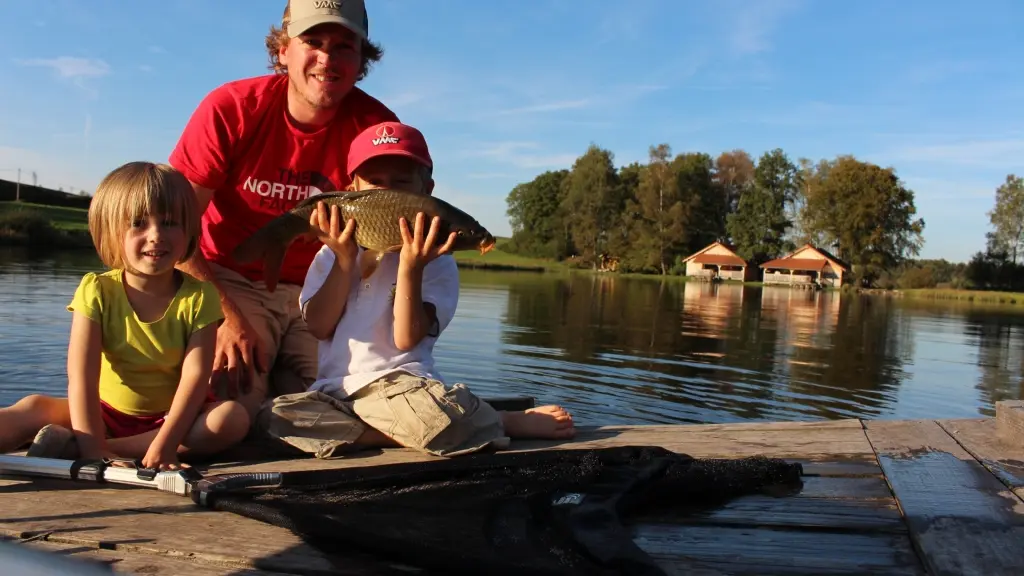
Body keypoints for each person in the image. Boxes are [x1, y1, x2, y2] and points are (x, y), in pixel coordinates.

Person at [256, 121, 576, 459]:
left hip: (403, 387)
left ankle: (501, 421)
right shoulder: (329, 255)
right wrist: (345, 261)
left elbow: (405, 339)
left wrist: (411, 266)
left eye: (401, 183)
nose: (387, 194)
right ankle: (425, 429)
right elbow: (319, 327)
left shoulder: (437, 263)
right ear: (352, 190)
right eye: (375, 183)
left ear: (427, 190)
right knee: (269, 418)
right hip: (336, 392)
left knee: (439, 418)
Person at [167, 0, 399, 424]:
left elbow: (383, 235)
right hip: (231, 278)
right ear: (282, 50)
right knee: (228, 411)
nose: (326, 59)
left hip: (325, 286)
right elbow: (174, 228)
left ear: (362, 58)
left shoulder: (376, 129)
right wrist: (223, 315)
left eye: (344, 46)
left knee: (356, 410)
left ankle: (282, 384)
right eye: (312, 41)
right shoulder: (231, 108)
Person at [0, 162, 250, 470]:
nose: (156, 235)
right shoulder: (98, 290)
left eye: (170, 222)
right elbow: (82, 378)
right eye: (139, 223)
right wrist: (93, 450)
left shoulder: (200, 296)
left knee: (232, 419)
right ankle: (86, 444)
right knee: (32, 408)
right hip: (103, 413)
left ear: (190, 231)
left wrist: (165, 444)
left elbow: (195, 379)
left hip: (171, 420)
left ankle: (89, 449)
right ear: (111, 231)